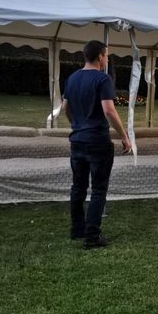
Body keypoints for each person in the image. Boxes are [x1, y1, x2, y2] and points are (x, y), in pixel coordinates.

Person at [61, 40, 132, 249]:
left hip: (77, 140)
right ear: (100, 56)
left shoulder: (72, 78)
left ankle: (77, 229)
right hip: (98, 142)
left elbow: (66, 106)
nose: (107, 59)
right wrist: (124, 135)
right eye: (107, 55)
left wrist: (76, 124)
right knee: (99, 189)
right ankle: (91, 236)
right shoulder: (103, 79)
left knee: (78, 187)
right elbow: (109, 110)